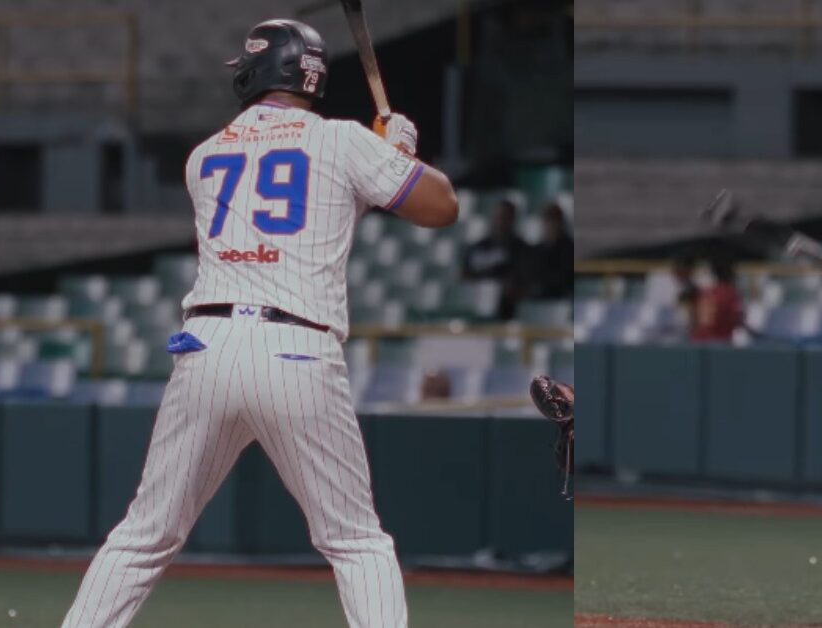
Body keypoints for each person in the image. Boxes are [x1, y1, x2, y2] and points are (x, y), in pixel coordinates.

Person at [62, 19, 457, 628]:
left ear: (258, 69)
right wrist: (398, 152)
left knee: (144, 534)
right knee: (356, 541)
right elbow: (441, 208)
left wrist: (384, 155)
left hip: (207, 345)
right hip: (297, 348)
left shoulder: (206, 155)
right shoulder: (343, 140)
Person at [462, 199, 529, 319]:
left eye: (505, 216)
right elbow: (464, 276)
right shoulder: (477, 248)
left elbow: (520, 284)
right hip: (475, 304)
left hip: (507, 310)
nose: (500, 220)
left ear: (512, 219)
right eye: (497, 216)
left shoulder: (521, 248)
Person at [691, 253, 743, 343]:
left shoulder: (704, 292)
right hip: (719, 343)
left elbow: (694, 320)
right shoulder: (729, 292)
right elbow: (736, 319)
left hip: (697, 342)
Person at [527, 202, 574, 299]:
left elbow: (565, 279)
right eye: (547, 220)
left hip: (561, 297)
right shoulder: (534, 251)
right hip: (537, 298)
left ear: (561, 223)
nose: (550, 225)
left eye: (554, 220)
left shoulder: (570, 249)